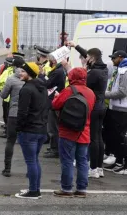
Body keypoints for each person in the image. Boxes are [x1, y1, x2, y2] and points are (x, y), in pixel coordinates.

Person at [51, 67, 95, 198]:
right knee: (82, 161)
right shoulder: (91, 93)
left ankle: (66, 188)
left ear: (71, 77)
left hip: (67, 131)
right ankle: (82, 189)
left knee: (67, 160)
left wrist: (57, 97)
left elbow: (55, 105)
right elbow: (90, 110)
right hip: (84, 131)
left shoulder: (68, 91)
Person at [67, 41, 108, 178]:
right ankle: (100, 168)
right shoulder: (103, 68)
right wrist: (75, 46)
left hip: (94, 107)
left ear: (92, 58)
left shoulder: (94, 72)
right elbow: (89, 54)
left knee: (93, 139)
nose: (86, 59)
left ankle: (94, 168)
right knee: (99, 138)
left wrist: (84, 69)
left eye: (88, 58)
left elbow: (82, 82)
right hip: (102, 106)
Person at [14, 62, 48, 200]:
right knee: (35, 160)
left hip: (29, 130)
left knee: (31, 161)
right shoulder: (42, 87)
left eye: (23, 71)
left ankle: (33, 191)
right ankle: (36, 189)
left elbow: (22, 112)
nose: (20, 73)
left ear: (30, 74)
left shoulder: (26, 89)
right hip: (41, 129)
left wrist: (18, 128)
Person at [103, 50, 127, 174]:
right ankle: (118, 162)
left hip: (122, 109)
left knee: (120, 138)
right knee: (115, 137)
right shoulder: (120, 70)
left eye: (114, 58)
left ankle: (122, 164)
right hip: (115, 107)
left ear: (120, 57)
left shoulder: (125, 71)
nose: (112, 60)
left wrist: (105, 95)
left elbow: (123, 92)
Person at [0, 62, 25, 177]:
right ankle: (30, 170)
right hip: (27, 115)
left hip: (14, 114)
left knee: (10, 141)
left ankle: (7, 169)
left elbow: (3, 95)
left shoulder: (11, 79)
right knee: (28, 142)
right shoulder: (30, 79)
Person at [39, 53, 66, 159]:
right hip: (54, 99)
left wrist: (41, 75)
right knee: (53, 126)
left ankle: (55, 149)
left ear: (54, 61)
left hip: (54, 101)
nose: (49, 62)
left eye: (50, 60)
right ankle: (54, 147)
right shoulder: (59, 70)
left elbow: (48, 84)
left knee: (53, 127)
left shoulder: (57, 71)